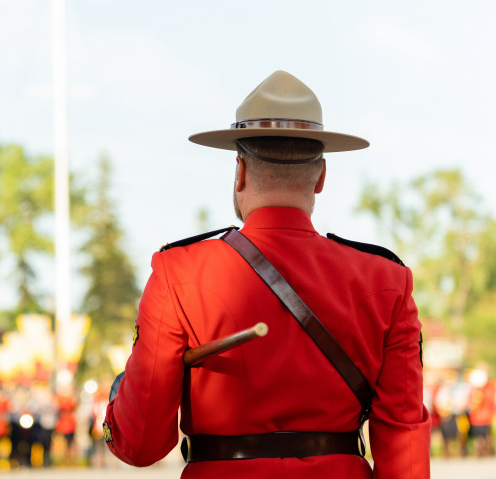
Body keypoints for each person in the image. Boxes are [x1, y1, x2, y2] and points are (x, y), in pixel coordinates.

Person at [103, 71, 430, 478]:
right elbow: (406, 454)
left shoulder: (178, 271)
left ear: (239, 171)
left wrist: (121, 394)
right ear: (321, 177)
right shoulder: (387, 279)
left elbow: (141, 443)